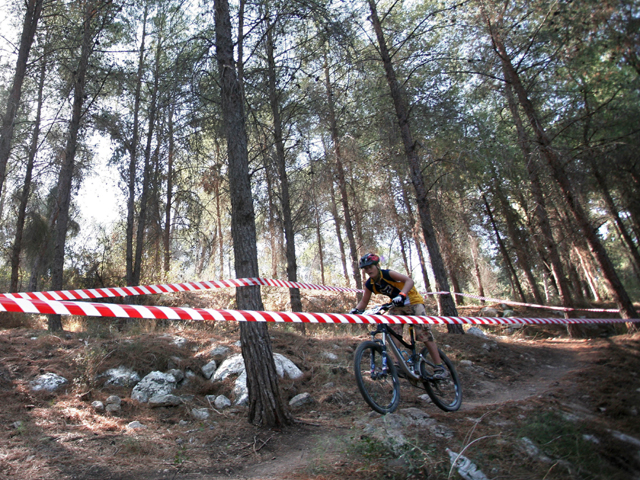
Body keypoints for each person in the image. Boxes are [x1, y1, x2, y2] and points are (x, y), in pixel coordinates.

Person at [350, 252, 447, 379]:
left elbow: (409, 281)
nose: (368, 270)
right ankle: (397, 363)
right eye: (365, 269)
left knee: (423, 333)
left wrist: (402, 294)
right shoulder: (370, 284)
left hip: (413, 302)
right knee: (393, 331)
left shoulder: (387, 274)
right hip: (396, 307)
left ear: (376, 265)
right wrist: (354, 311)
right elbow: (363, 302)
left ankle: (439, 366)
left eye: (370, 267)